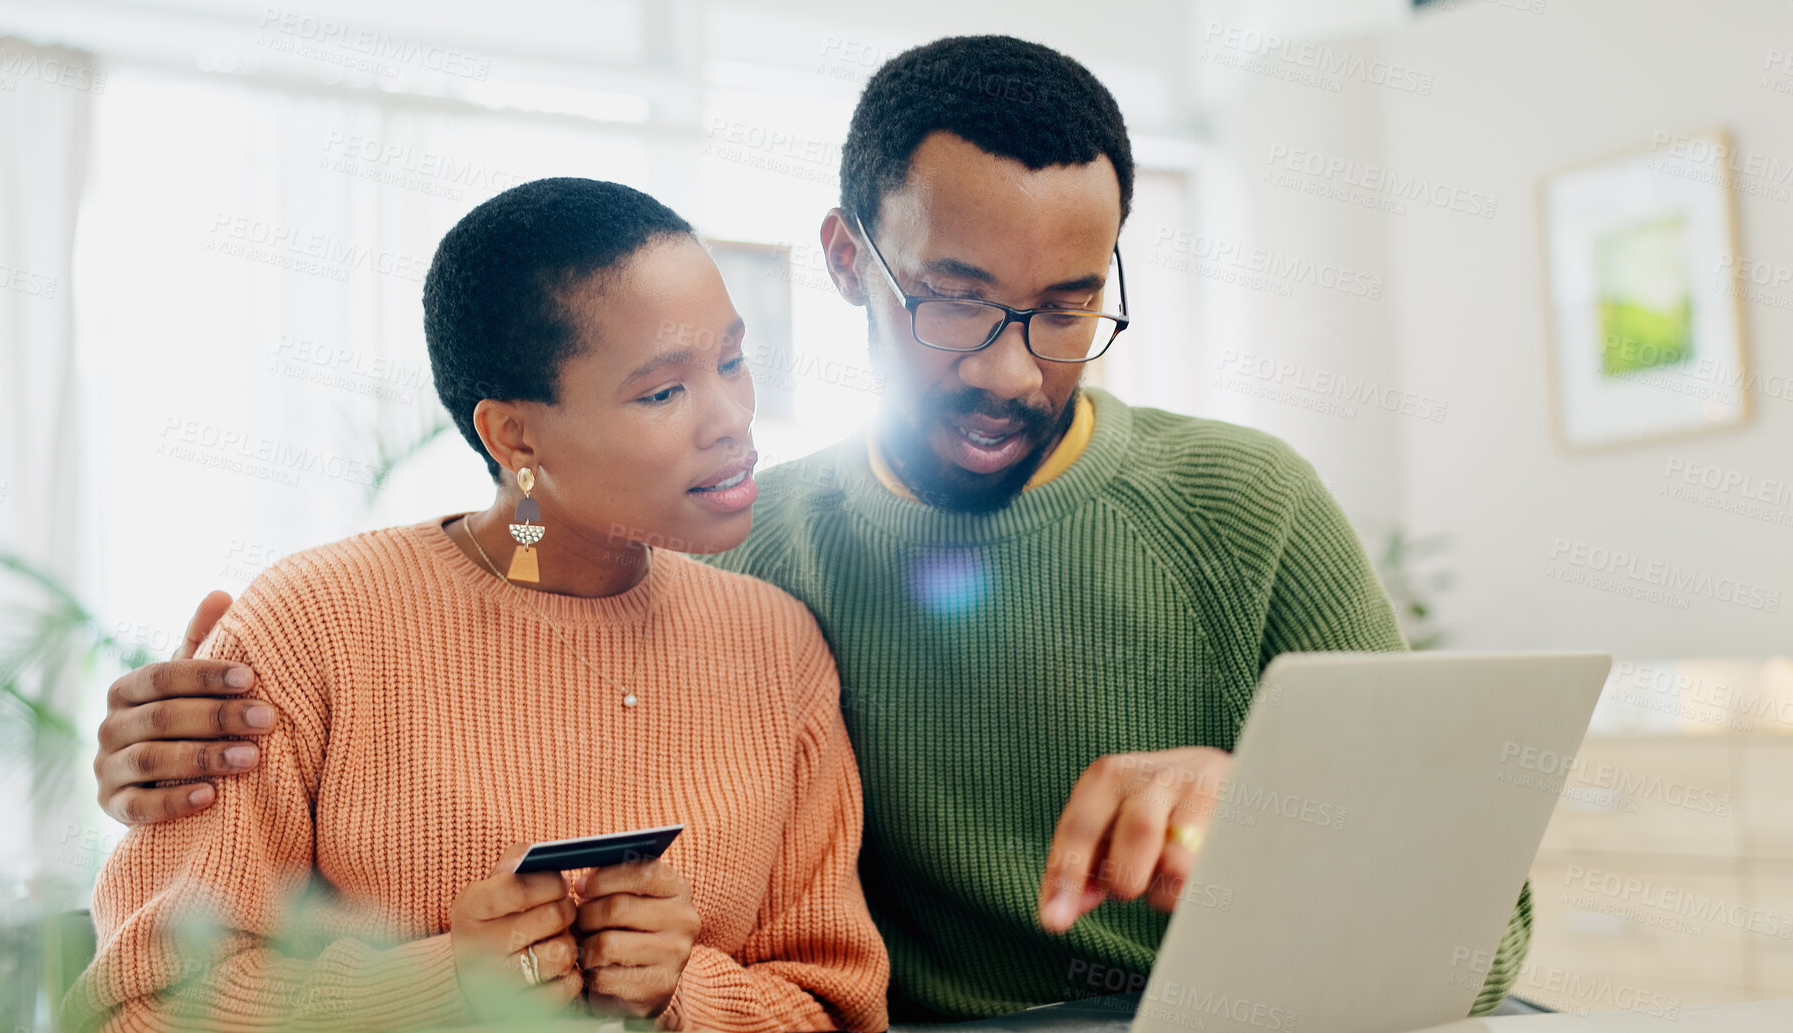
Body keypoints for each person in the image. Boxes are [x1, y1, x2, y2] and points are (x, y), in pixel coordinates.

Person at [89, 36, 1531, 1024]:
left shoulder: (1246, 506)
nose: (1016, 363)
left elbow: (1477, 938)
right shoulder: (746, 552)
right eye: (958, 297)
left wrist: (1269, 817)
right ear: (847, 261)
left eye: (1070, 305)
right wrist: (169, 735)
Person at [69, 178, 889, 1033]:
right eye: (661, 392)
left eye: (731, 360)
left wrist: (682, 996)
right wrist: (442, 989)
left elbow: (834, 1004)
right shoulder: (310, 625)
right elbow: (142, 1005)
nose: (731, 419)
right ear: (515, 436)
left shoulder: (776, 643)